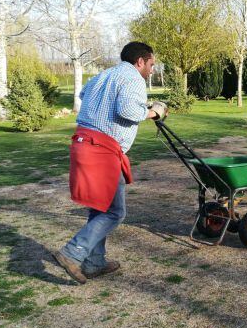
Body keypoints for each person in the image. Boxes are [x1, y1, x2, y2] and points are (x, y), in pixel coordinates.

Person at [53, 41, 167, 284]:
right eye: (151, 65)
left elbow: (84, 94)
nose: (152, 70)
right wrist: (154, 112)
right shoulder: (133, 78)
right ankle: (72, 252)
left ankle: (95, 263)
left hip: (84, 144)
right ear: (140, 62)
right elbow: (127, 110)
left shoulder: (104, 74)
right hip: (102, 151)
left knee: (100, 207)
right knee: (115, 212)